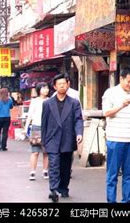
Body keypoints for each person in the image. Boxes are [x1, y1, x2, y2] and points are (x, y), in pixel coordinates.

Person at [41, 74, 83, 202]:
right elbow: (44, 122)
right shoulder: (47, 103)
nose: (62, 86)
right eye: (59, 84)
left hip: (67, 139)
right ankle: (53, 190)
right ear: (54, 86)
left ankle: (63, 188)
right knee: (53, 165)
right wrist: (44, 141)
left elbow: (78, 120)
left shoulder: (74, 103)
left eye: (64, 83)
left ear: (68, 84)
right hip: (52, 139)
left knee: (65, 167)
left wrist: (79, 133)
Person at [102, 66, 130, 203]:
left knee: (129, 175)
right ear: (121, 78)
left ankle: (127, 201)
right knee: (112, 175)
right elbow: (106, 113)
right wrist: (121, 106)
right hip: (115, 139)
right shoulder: (110, 93)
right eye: (128, 81)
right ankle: (111, 201)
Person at [25, 82, 50, 181]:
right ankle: (32, 171)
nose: (46, 90)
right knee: (35, 151)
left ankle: (45, 170)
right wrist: (26, 127)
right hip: (36, 127)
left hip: (47, 128)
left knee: (46, 151)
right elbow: (30, 114)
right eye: (44, 88)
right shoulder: (35, 101)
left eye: (47, 88)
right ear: (39, 90)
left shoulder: (50, 100)